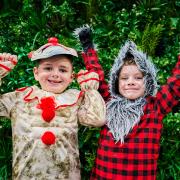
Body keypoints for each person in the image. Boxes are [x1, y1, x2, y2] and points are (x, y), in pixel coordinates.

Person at [75, 26, 180, 180]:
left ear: (148, 82)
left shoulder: (156, 106)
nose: (131, 82)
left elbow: (175, 84)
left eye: (138, 78)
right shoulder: (108, 102)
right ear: (116, 83)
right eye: (124, 78)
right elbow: (96, 74)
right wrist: (88, 48)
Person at [0, 37, 106, 180]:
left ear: (71, 77)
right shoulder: (19, 98)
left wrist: (90, 90)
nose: (55, 74)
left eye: (62, 70)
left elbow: (97, 119)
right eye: (48, 68)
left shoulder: (76, 99)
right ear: (36, 73)